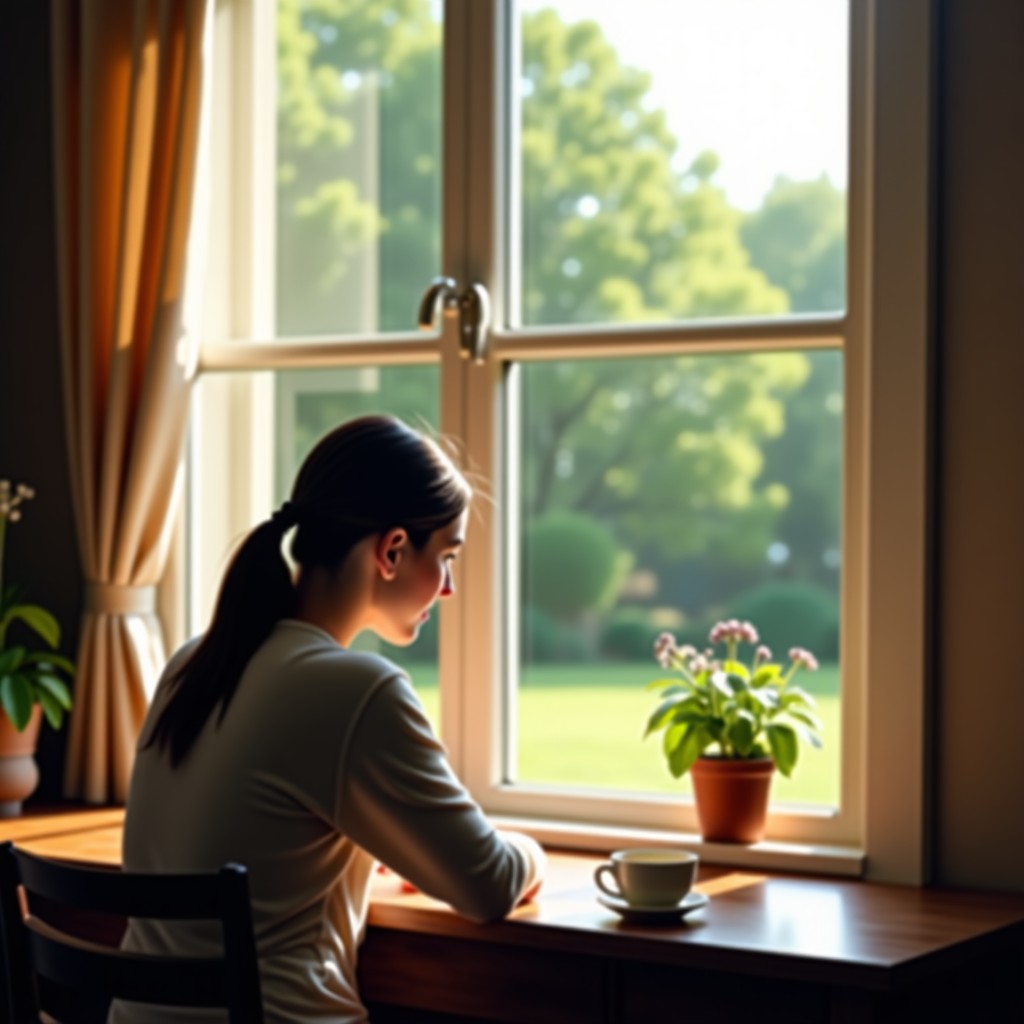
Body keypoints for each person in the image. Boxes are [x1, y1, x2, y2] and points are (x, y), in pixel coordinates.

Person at [109, 414, 546, 1024]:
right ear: (392, 550)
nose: (447, 589)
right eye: (446, 556)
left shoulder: (193, 663)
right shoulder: (358, 689)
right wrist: (531, 851)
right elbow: (487, 886)